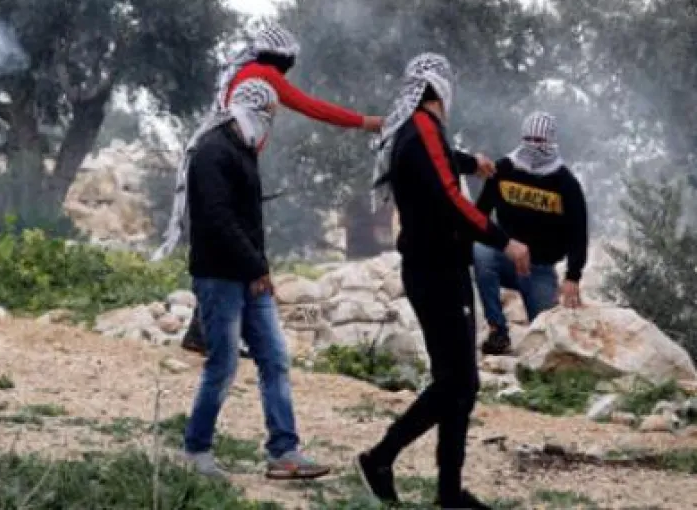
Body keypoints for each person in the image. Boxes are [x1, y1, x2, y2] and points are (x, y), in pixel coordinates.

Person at [355, 53, 531, 510]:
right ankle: (381, 458)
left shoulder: (417, 131)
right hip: (437, 271)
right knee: (457, 382)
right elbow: (452, 199)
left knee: (461, 382)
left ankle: (448, 491)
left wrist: (472, 161)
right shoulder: (423, 128)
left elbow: (439, 165)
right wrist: (503, 240)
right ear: (438, 88)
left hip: (436, 268)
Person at [157, 23, 383, 353]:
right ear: (283, 59)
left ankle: (206, 331)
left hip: (224, 163)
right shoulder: (264, 74)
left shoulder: (242, 72)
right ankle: (215, 332)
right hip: (233, 167)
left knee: (227, 246)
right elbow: (312, 106)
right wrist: (365, 122)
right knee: (239, 245)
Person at [179, 76, 331, 482]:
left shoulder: (242, 150)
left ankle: (284, 450)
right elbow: (217, 220)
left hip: (249, 276)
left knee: (275, 359)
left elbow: (248, 222)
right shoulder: (212, 152)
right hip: (219, 277)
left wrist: (259, 269)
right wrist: (255, 267)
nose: (270, 125)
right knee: (223, 364)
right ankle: (195, 450)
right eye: (268, 115)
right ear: (251, 111)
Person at [473, 112, 588, 356]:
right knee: (480, 252)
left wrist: (573, 277)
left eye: (540, 140)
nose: (534, 147)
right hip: (506, 257)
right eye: (530, 139)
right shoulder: (503, 169)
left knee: (546, 342)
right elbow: (479, 214)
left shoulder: (566, 184)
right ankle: (497, 330)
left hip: (540, 269)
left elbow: (579, 234)